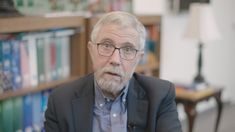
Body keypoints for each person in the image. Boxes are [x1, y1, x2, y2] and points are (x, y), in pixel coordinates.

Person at [44, 11, 182, 132]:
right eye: (106, 45)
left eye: (128, 49)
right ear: (91, 50)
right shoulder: (61, 101)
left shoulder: (160, 96)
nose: (115, 60)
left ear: (138, 59)